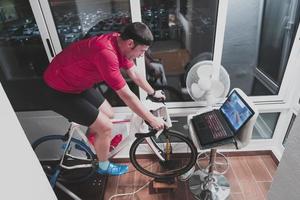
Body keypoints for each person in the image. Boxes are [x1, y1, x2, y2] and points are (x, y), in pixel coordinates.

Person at [42, 22, 166, 176]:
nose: (142, 55)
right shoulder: (106, 53)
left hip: (77, 83)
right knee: (106, 126)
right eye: (142, 51)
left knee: (109, 113)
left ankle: (94, 144)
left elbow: (134, 73)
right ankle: (104, 166)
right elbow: (126, 95)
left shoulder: (118, 41)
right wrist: (151, 120)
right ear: (130, 43)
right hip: (58, 90)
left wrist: (153, 92)